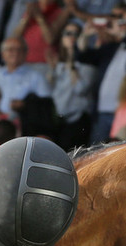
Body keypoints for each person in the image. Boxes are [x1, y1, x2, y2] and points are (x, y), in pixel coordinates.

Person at [77, 5, 126, 144]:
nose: (125, 26)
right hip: (102, 111)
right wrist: (85, 35)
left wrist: (124, 35)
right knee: (96, 154)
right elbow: (84, 57)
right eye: (123, 22)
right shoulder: (113, 47)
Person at [47, 20, 96, 150]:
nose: (72, 37)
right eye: (68, 33)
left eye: (76, 34)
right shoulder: (58, 65)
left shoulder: (87, 63)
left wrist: (73, 68)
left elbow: (81, 89)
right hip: (59, 121)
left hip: (77, 121)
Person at [0, 36, 51, 124]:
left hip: (25, 125)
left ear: (26, 53)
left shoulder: (36, 77)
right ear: (2, 54)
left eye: (19, 50)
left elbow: (46, 106)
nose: (15, 53)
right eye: (11, 49)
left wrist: (26, 105)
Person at [10, 0, 70, 71]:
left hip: (44, 64)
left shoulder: (59, 12)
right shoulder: (31, 9)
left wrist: (39, 17)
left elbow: (50, 39)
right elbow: (15, 38)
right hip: (23, 62)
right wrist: (27, 18)